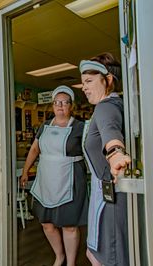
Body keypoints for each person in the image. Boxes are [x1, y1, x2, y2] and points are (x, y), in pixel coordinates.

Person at [20, 85, 88, 266]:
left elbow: (91, 152)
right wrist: (26, 170)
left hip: (70, 179)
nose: (60, 106)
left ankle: (71, 262)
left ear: (71, 106)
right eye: (57, 102)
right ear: (52, 106)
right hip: (47, 181)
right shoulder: (44, 126)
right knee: (47, 223)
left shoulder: (81, 127)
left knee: (69, 225)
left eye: (65, 103)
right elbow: (35, 149)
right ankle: (60, 256)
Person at [80, 53, 131, 266]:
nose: (83, 87)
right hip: (108, 195)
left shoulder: (105, 107)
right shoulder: (117, 104)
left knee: (104, 258)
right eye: (83, 83)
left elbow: (111, 134)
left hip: (111, 200)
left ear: (108, 80)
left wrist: (115, 154)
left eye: (89, 81)